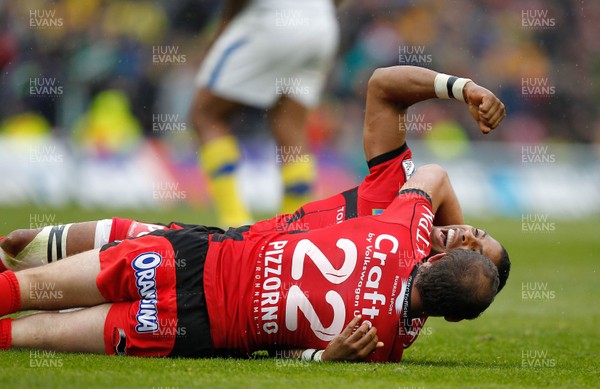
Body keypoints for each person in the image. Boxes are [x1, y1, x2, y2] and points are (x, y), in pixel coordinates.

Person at [0, 65, 510, 289]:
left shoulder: (389, 296)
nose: (468, 236)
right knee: (20, 246)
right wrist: (460, 87)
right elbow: (382, 87)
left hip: (216, 300)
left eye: (472, 254)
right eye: (478, 234)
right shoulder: (397, 196)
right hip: (216, 246)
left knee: (48, 303)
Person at [0, 163, 499, 362]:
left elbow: (432, 172)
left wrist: (445, 240)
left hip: (190, 260)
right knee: (32, 335)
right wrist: (326, 360)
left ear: (439, 256)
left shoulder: (400, 231)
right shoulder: (383, 344)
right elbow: (281, 355)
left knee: (28, 288)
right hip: (193, 329)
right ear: (450, 316)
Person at [190, 0, 340, 227]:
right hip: (323, 25)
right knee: (289, 125)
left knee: (205, 115)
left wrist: (224, 26)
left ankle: (235, 220)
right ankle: (293, 227)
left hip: (273, 20)